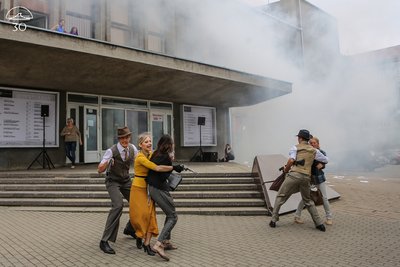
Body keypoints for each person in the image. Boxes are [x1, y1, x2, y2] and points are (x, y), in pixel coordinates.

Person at [129, 133, 184, 261]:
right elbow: (157, 167)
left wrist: (170, 158)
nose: (149, 143)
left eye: (150, 141)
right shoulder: (141, 157)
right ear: (140, 144)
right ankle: (140, 235)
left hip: (148, 186)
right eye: (146, 142)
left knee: (151, 216)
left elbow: (159, 159)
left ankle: (148, 243)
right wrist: (173, 167)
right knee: (142, 215)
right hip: (139, 187)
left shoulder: (151, 154)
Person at [269, 129, 328, 232]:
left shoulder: (295, 148)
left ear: (300, 138)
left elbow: (291, 160)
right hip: (306, 177)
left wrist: (286, 170)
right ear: (308, 139)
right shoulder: (314, 150)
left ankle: (273, 220)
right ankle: (319, 224)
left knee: (281, 196)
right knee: (308, 200)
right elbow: (325, 160)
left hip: (294, 175)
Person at [98, 126, 138, 254]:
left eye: (126, 137)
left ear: (129, 137)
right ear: (119, 139)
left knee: (138, 202)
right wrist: (107, 163)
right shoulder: (111, 151)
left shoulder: (132, 148)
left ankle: (130, 228)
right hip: (112, 181)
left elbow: (139, 162)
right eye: (122, 138)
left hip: (126, 180)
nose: (125, 140)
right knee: (118, 205)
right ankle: (104, 241)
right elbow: (100, 169)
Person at [147, 134, 180, 261]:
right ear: (168, 145)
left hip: (153, 187)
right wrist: (172, 167)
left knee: (169, 214)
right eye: (172, 143)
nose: (173, 145)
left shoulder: (156, 154)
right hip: (159, 188)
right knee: (173, 216)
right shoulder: (165, 157)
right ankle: (159, 244)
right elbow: (161, 175)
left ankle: (166, 241)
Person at [294, 136, 333, 225]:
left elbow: (325, 161)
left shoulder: (322, 152)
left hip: (319, 178)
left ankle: (329, 217)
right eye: (311, 143)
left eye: (314, 143)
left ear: (318, 144)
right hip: (309, 178)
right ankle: (297, 216)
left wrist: (322, 165)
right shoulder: (308, 152)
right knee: (305, 198)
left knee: (324, 198)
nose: (312, 144)